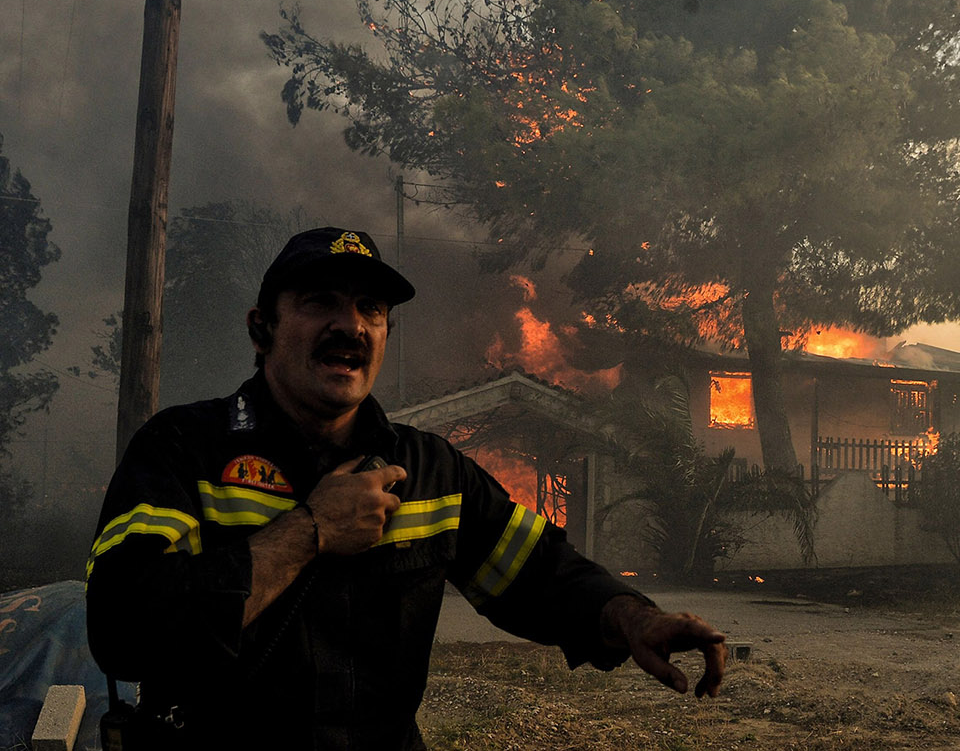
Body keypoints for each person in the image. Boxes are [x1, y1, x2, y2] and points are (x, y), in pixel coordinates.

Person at [86, 227, 727, 750]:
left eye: (372, 309)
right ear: (263, 330)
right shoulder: (182, 449)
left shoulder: (433, 473)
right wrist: (309, 532)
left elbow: (542, 574)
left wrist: (635, 618)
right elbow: (122, 628)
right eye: (320, 302)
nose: (352, 325)